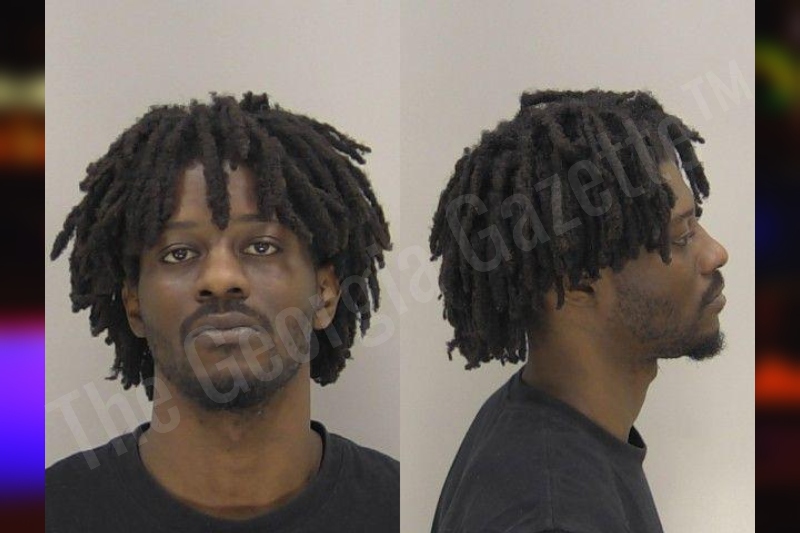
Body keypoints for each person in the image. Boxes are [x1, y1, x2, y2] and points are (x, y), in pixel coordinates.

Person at [46, 92, 398, 532]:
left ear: (325, 294)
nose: (220, 278)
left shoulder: (399, 509)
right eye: (178, 253)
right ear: (133, 303)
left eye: (261, 247)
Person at [429, 89, 729, 533]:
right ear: (578, 282)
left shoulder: (537, 418)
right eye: (681, 237)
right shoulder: (555, 515)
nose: (716, 253)